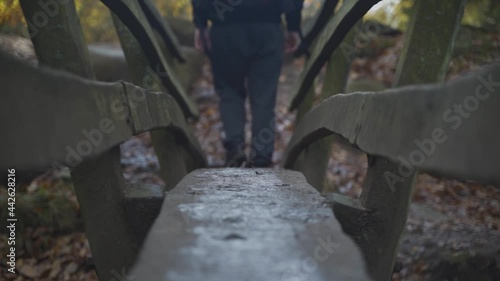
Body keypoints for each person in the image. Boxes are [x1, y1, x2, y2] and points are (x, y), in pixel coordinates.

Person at [191, 0, 304, 167]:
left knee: (230, 91)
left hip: (225, 28)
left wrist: (201, 24)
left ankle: (234, 151)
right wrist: (293, 25)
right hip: (268, 25)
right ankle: (262, 158)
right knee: (264, 96)